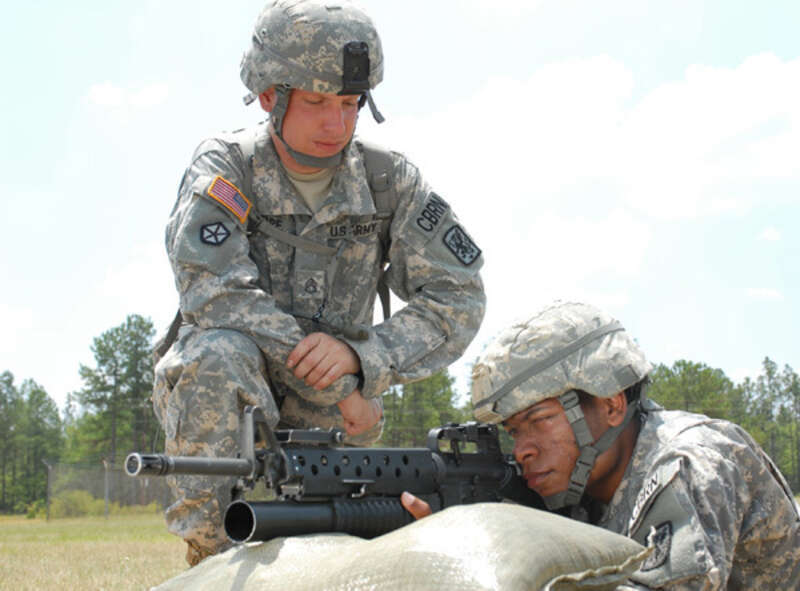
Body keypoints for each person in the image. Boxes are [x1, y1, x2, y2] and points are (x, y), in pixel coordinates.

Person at [153, 0, 485, 566]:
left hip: (337, 428)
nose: (338, 124)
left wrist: (364, 357)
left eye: (352, 103)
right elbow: (215, 290)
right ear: (269, 96)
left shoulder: (389, 182)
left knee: (333, 566)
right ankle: (209, 564)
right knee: (216, 353)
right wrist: (345, 390)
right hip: (236, 408)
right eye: (316, 103)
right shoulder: (228, 166)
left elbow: (459, 296)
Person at [402, 301, 800, 589]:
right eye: (513, 432)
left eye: (539, 421)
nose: (522, 450)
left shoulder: (690, 461)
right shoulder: (576, 492)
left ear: (611, 405)